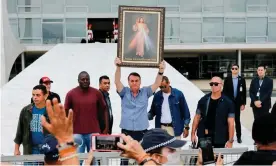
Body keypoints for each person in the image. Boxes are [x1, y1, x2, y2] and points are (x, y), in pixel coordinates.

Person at [114, 57, 165, 141]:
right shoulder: (124, 92)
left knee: (141, 153)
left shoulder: (146, 92)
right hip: (126, 131)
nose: (134, 83)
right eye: (132, 81)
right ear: (128, 82)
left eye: (136, 80)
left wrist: (161, 71)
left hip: (142, 131)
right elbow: (117, 81)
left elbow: (157, 83)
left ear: (140, 82)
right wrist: (118, 67)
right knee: (127, 153)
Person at [64, 71, 109, 155]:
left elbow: (104, 109)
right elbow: (65, 112)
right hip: (76, 133)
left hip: (94, 132)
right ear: (78, 80)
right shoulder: (70, 94)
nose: (85, 81)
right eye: (83, 79)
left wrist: (106, 127)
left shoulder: (97, 93)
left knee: (94, 160)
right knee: (77, 161)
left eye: (87, 79)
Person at [191, 76, 235, 148]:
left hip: (220, 138)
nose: (213, 86)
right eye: (211, 84)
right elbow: (197, 117)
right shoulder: (203, 100)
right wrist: (193, 134)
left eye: (216, 84)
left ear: (221, 85)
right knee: (203, 159)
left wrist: (230, 140)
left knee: (218, 159)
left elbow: (231, 123)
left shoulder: (228, 102)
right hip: (204, 136)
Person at [14, 85, 50, 155]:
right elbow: (19, 131)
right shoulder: (26, 110)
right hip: (30, 150)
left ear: (45, 96)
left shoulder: (51, 111)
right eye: (33, 95)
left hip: (47, 149)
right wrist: (16, 149)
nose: (35, 97)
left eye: (38, 95)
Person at [223, 64, 246, 143]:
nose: (234, 70)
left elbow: (244, 92)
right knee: (228, 120)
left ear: (238, 70)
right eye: (233, 68)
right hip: (229, 103)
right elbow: (224, 92)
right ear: (231, 70)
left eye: (236, 68)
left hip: (238, 103)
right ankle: (228, 136)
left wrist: (243, 103)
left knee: (237, 120)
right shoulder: (227, 79)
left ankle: (239, 137)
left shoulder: (242, 79)